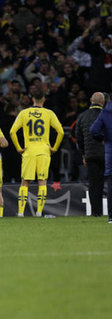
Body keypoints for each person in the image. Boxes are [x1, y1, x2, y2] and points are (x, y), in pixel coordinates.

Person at [9, 90, 64, 217]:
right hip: (44, 151)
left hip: (29, 151)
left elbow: (12, 132)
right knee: (42, 181)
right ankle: (39, 212)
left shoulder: (24, 113)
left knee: (25, 182)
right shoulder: (49, 113)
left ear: (32, 99)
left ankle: (21, 212)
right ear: (44, 99)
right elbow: (61, 132)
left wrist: (18, 148)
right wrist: (54, 148)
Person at [74, 92, 107, 216]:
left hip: (91, 154)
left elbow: (78, 137)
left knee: (94, 184)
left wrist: (83, 154)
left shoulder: (82, 116)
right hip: (107, 154)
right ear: (103, 102)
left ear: (90, 100)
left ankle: (96, 213)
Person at [89, 94, 112, 224]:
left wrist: (103, 139)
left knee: (111, 184)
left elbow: (93, 130)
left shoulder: (106, 112)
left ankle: (111, 217)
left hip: (110, 152)